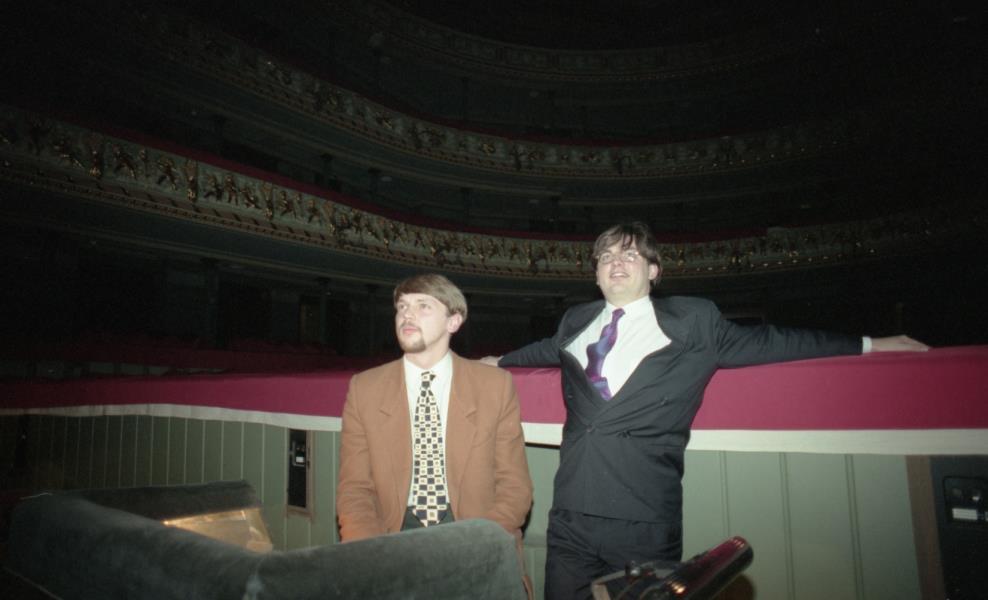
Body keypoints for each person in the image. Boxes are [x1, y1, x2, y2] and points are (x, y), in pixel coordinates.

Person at [482, 221, 929, 599]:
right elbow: (546, 350)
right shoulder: (576, 321)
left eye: (630, 255)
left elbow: (773, 342)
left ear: (653, 271)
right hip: (570, 514)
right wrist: (496, 361)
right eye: (606, 257)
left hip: (642, 518)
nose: (616, 263)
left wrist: (870, 344)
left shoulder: (694, 321)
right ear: (596, 274)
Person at [337, 273, 534, 593]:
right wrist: (371, 556)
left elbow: (515, 488)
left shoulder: (494, 386)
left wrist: (475, 545)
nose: (407, 314)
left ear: (453, 321)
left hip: (475, 538)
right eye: (402, 306)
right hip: (393, 541)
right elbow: (355, 490)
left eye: (423, 306)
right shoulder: (365, 389)